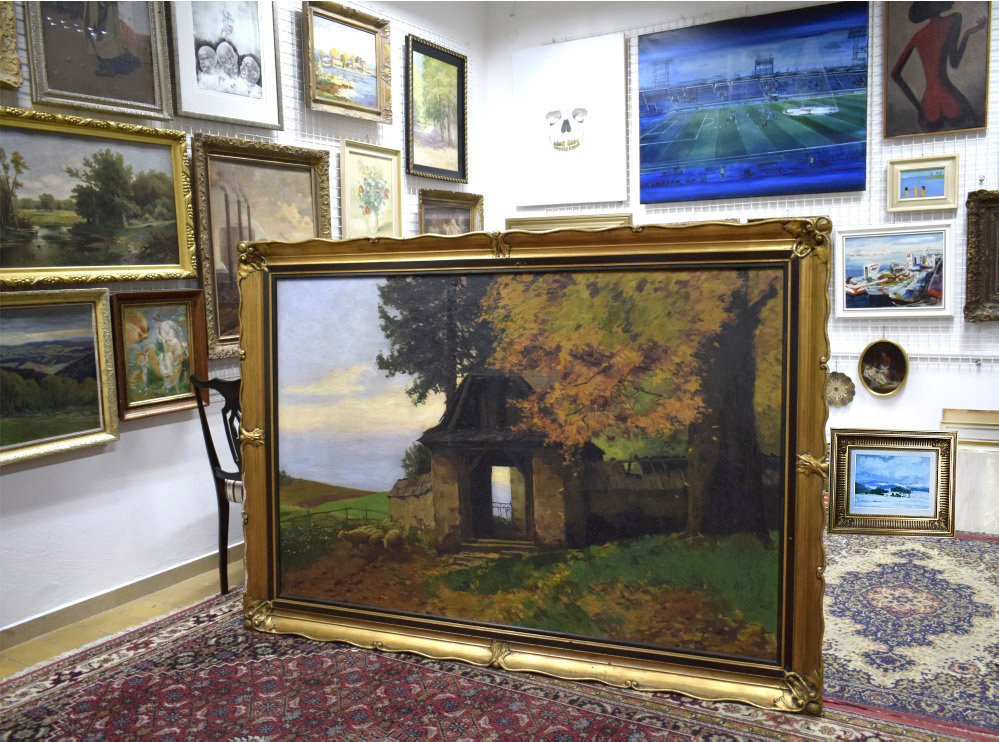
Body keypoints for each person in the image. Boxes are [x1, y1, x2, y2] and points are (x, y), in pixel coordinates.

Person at [890, 2, 987, 132]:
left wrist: (919, 108)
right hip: (950, 99)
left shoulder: (917, 36)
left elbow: (895, 74)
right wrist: (968, 33)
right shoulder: (954, 19)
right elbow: (954, 62)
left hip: (928, 106)